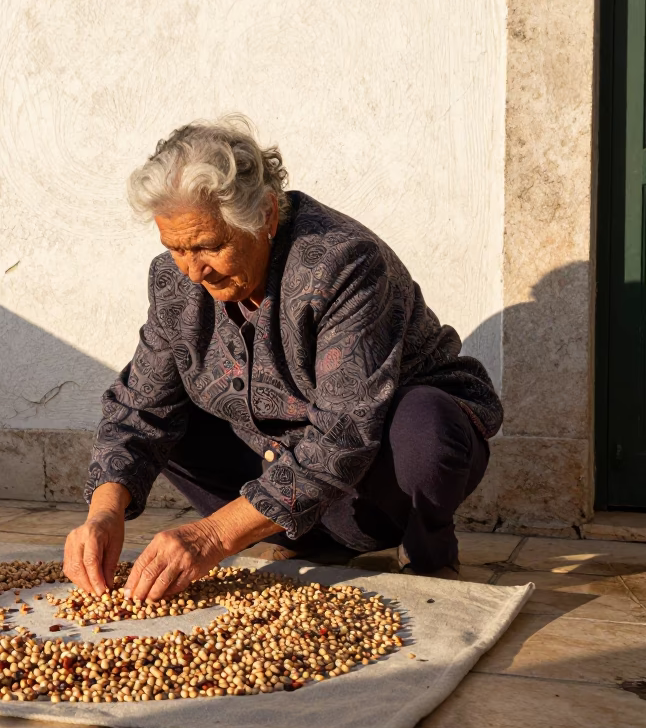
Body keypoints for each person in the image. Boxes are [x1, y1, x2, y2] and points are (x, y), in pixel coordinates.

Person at [63, 115, 502, 601]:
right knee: (171, 422)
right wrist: (104, 513)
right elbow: (140, 407)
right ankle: (306, 540)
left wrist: (212, 535)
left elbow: (346, 432)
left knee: (426, 421)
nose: (193, 271)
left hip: (381, 480)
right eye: (176, 249)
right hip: (276, 468)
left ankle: (428, 547)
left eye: (210, 246)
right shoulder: (174, 283)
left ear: (267, 216)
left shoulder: (341, 263)